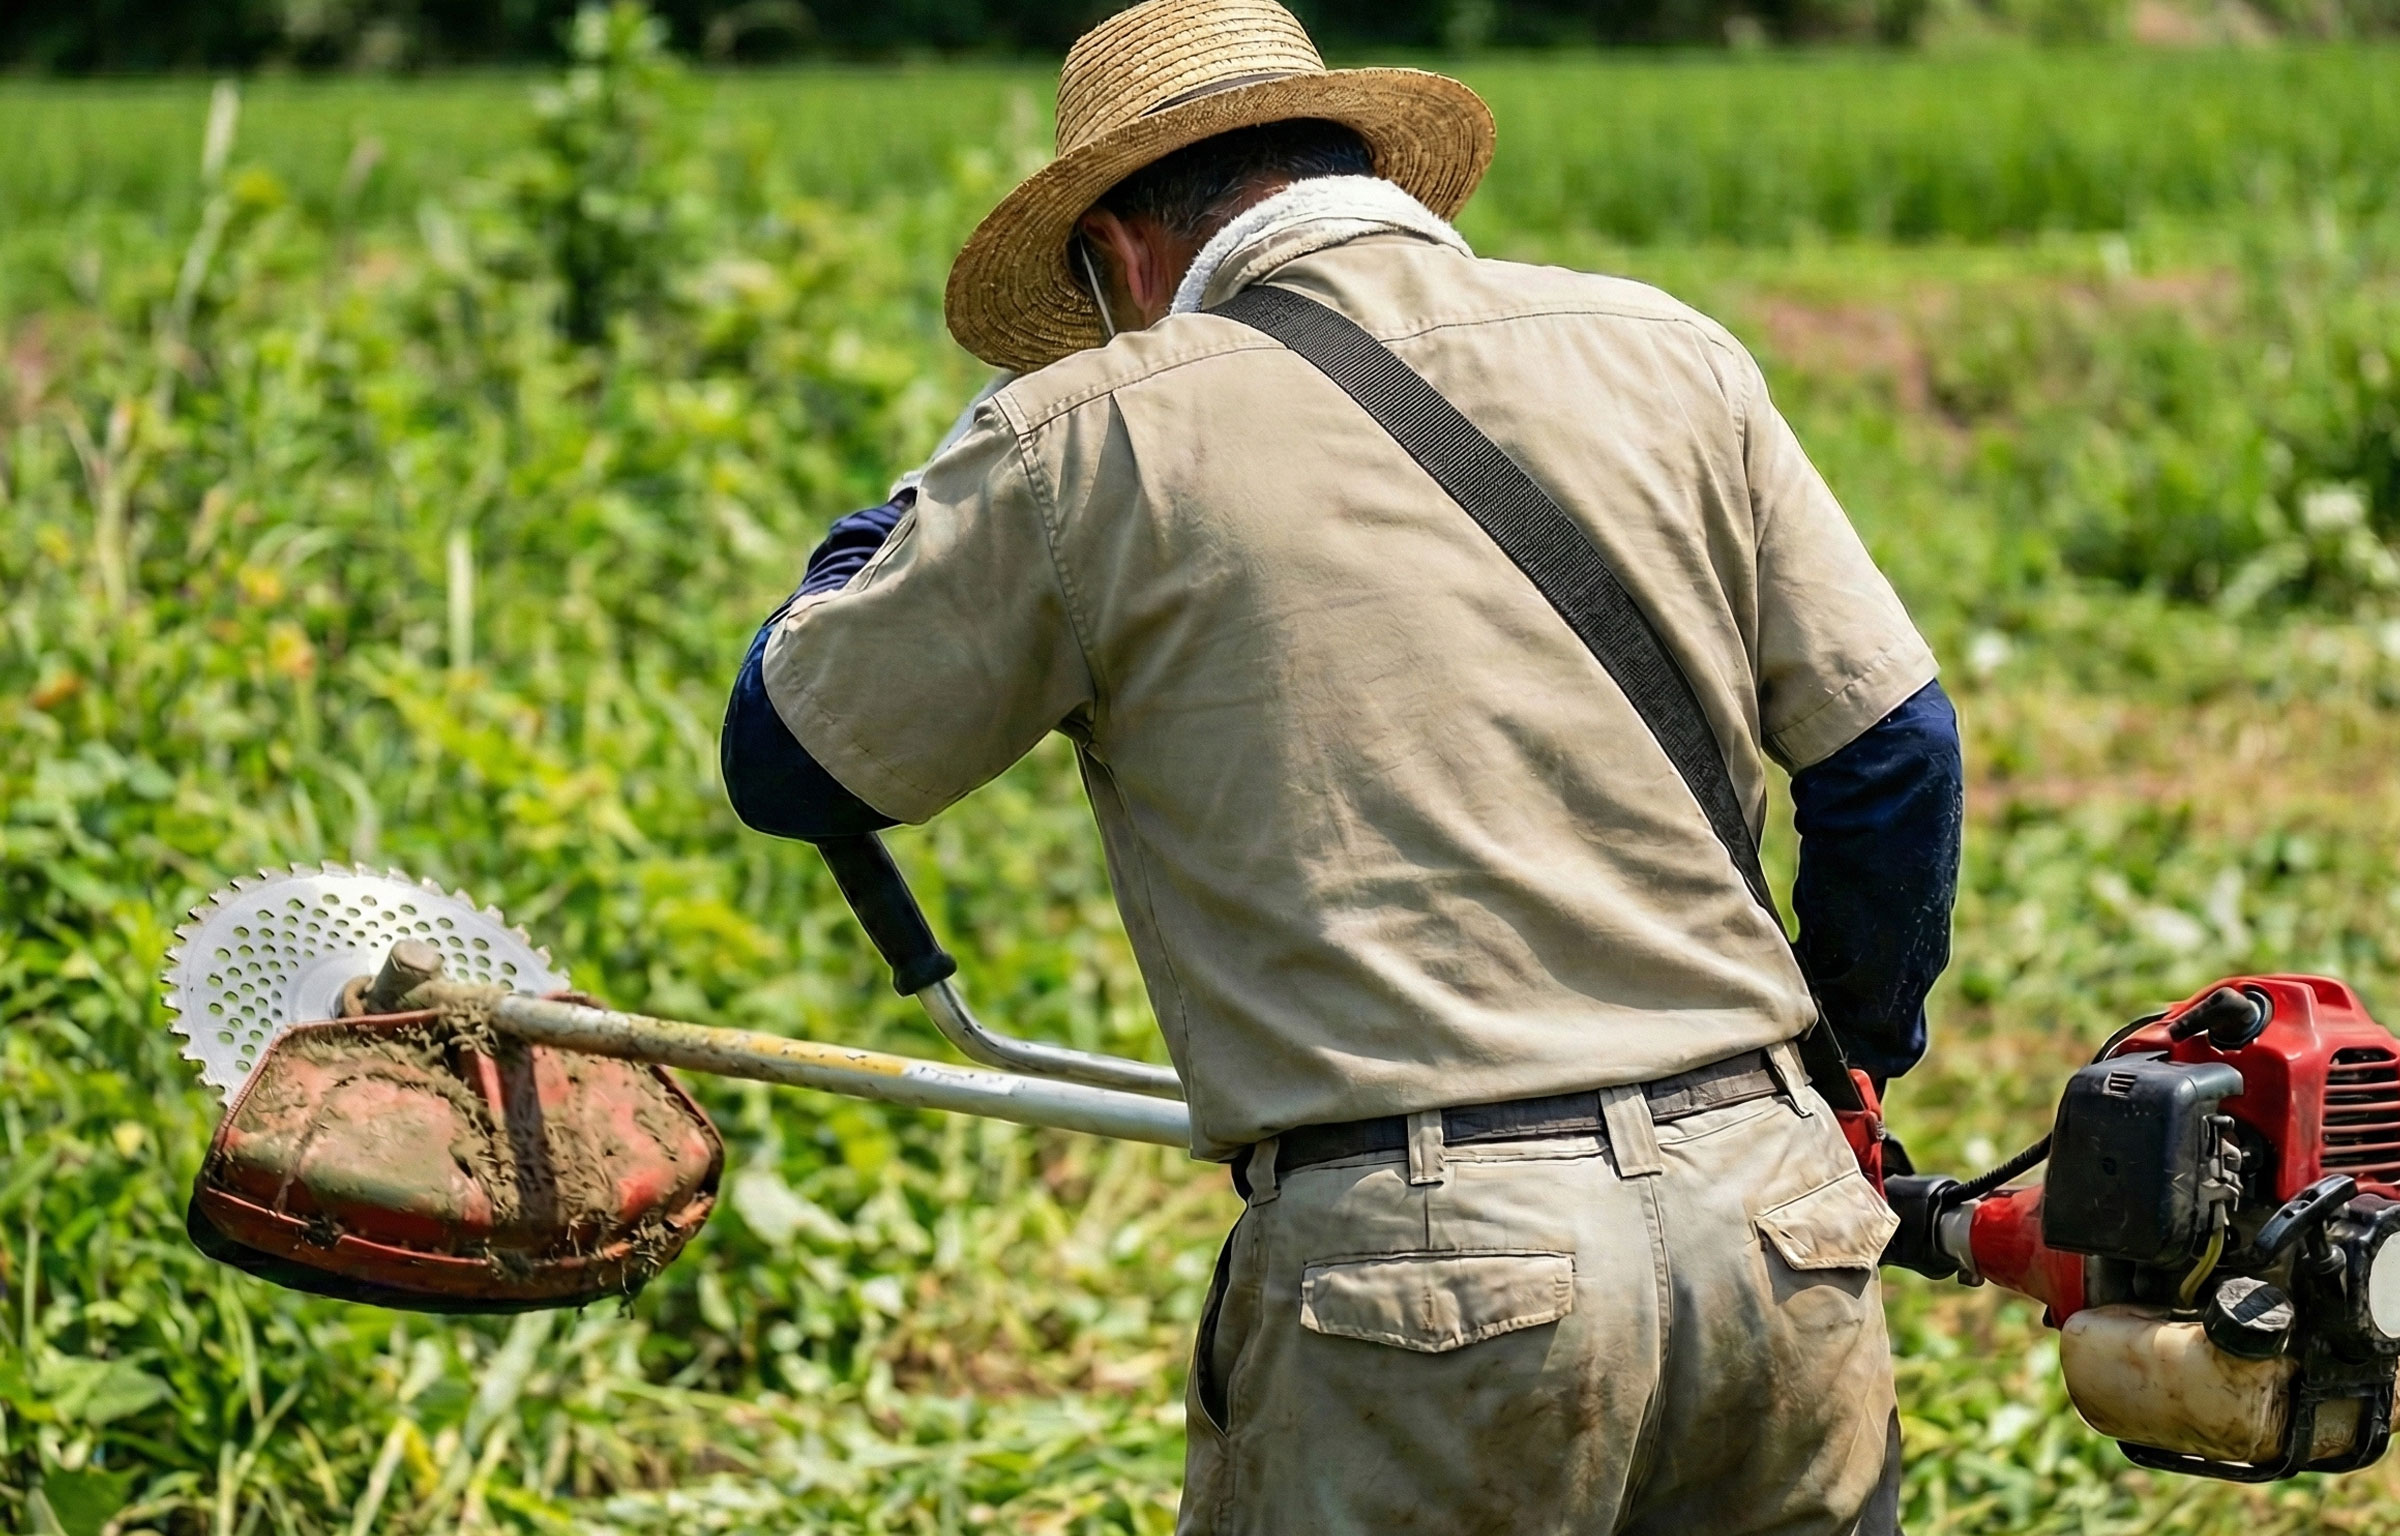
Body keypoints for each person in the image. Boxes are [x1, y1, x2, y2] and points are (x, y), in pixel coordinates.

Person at [720, 1, 1962, 1531]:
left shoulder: (1081, 437)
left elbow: (791, 759)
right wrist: (1844, 1074)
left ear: (1117, 249)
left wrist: (910, 508)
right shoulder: (1669, 349)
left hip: (1428, 1282)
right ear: (1363, 167)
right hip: (1775, 1225)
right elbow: (1895, 756)